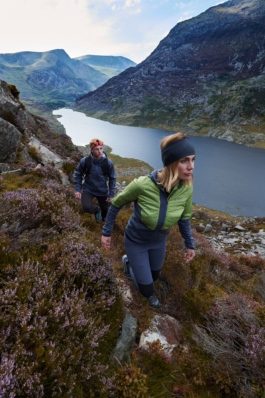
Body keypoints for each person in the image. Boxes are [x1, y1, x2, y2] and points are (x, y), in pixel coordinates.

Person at [101, 133, 196, 309]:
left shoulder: (187, 188)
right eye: (184, 160)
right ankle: (132, 270)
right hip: (136, 241)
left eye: (193, 160)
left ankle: (132, 265)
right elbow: (115, 204)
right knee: (147, 288)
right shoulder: (143, 184)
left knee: (154, 276)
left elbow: (184, 219)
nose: (191, 166)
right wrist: (106, 232)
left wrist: (190, 244)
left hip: (159, 242)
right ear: (171, 162)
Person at [74, 138, 116, 222]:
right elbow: (78, 174)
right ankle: (96, 210)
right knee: (86, 207)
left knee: (106, 212)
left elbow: (112, 178)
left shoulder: (108, 163)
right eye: (97, 149)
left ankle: (103, 222)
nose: (99, 151)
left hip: (102, 190)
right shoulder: (85, 161)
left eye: (101, 148)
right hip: (89, 189)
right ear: (91, 150)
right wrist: (78, 190)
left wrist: (111, 194)